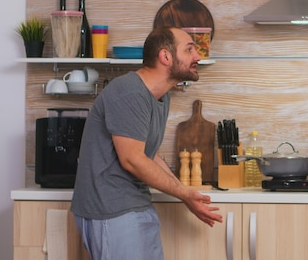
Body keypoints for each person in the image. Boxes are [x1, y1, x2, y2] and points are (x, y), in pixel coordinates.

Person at [71, 27, 223, 260]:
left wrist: (185, 195)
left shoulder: (160, 95)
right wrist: (183, 193)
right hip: (111, 210)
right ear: (165, 56)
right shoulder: (130, 92)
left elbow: (149, 154)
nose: (198, 56)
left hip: (134, 207)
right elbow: (132, 160)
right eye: (189, 49)